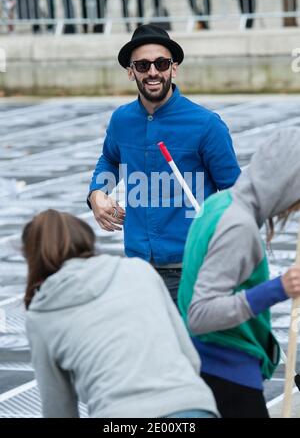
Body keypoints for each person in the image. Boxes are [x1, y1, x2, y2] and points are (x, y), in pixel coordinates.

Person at [88, 23, 241, 306]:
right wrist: (97, 193)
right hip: (137, 268)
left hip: (191, 271)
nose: (153, 72)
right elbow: (109, 159)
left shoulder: (206, 125)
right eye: (143, 65)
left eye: (161, 63)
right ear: (130, 71)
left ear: (174, 68)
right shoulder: (122, 120)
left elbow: (236, 194)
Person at [23, 209, 219, 418]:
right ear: (86, 239)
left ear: (33, 258)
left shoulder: (42, 314)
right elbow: (190, 358)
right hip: (192, 405)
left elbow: (59, 407)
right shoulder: (139, 271)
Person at [178, 127, 300, 418]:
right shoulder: (238, 225)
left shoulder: (218, 205)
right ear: (286, 182)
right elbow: (200, 314)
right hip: (227, 375)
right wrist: (279, 288)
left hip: (204, 367)